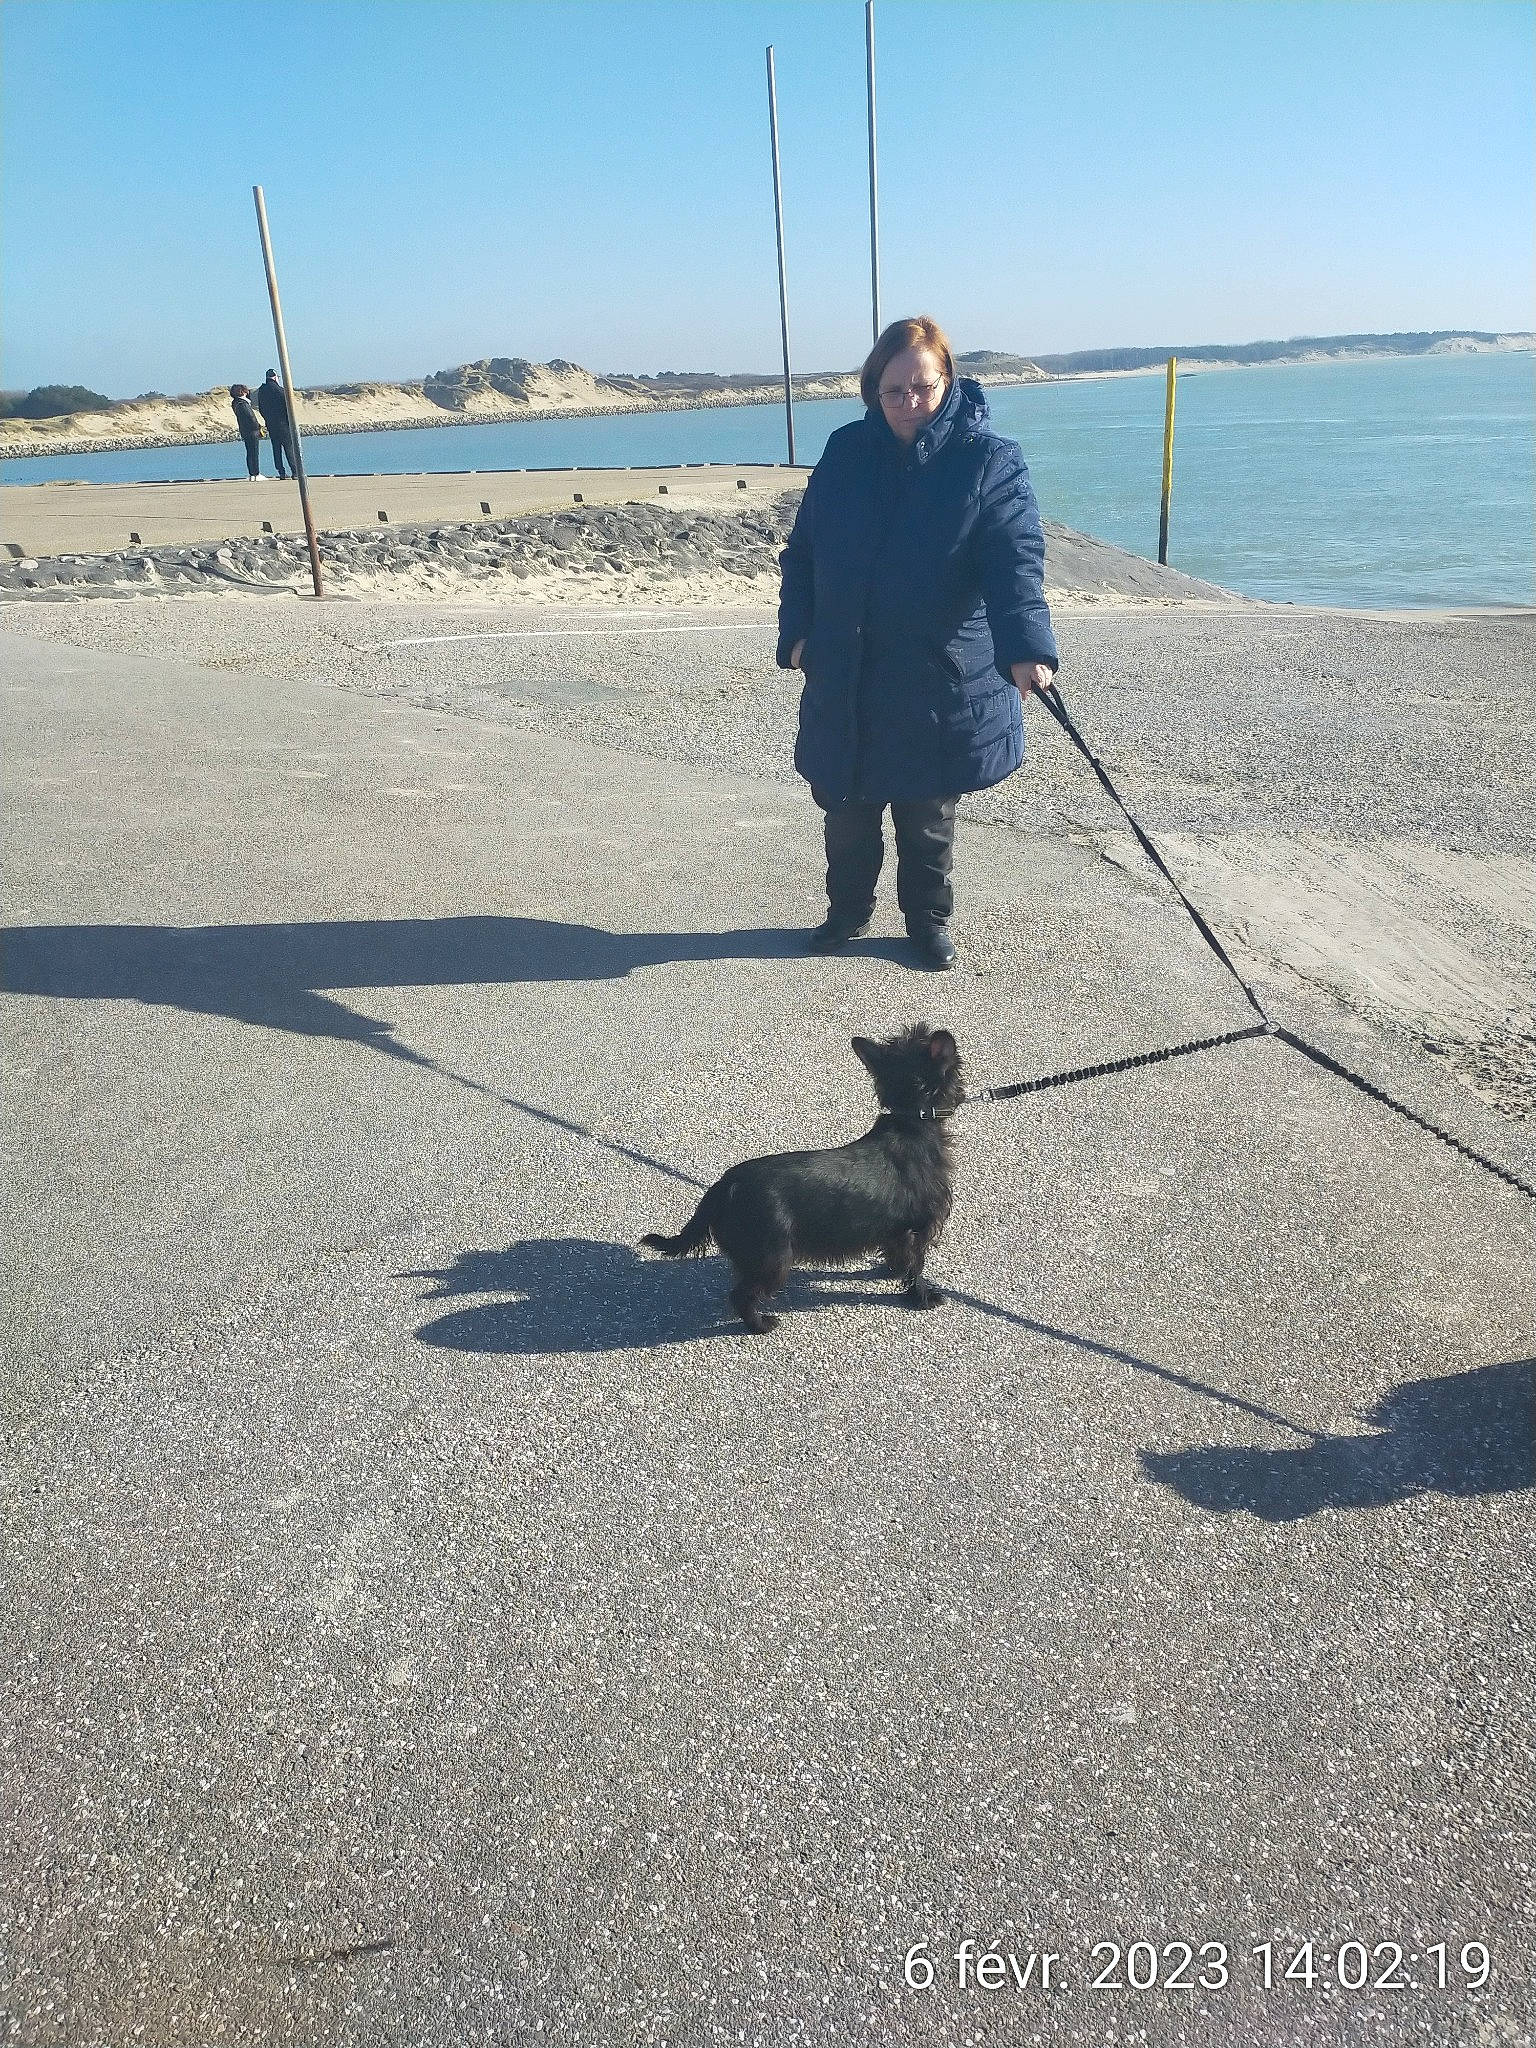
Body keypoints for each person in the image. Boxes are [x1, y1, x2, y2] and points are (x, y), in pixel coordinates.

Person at [777, 314, 1058, 970]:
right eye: (893, 391)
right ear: (873, 390)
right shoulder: (846, 452)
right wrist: (798, 640)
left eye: (922, 388)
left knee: (926, 817)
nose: (908, 404)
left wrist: (1027, 647)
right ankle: (846, 912)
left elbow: (1015, 558)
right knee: (845, 813)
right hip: (844, 670)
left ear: (947, 379)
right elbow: (804, 554)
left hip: (937, 676)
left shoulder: (989, 461)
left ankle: (926, 921)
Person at [256, 369, 296, 480]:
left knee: (276, 448)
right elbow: (288, 406)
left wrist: (267, 419)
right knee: (289, 447)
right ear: (274, 377)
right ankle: (295, 471)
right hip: (283, 423)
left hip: (271, 424)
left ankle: (281, 472)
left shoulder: (262, 391)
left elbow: (261, 408)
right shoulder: (280, 390)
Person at [229, 383, 263, 479]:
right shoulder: (243, 403)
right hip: (251, 430)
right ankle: (256, 473)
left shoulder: (235, 403)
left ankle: (252, 473)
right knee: (254, 452)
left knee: (249, 452)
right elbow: (251, 417)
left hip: (244, 430)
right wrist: (258, 426)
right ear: (242, 392)